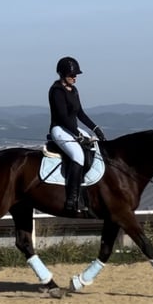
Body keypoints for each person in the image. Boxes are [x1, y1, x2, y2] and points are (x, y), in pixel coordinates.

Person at [48, 56, 107, 215]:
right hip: (59, 129)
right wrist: (77, 135)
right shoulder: (56, 91)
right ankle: (72, 199)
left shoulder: (73, 90)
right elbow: (62, 116)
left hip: (72, 128)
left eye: (76, 75)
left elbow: (80, 113)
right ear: (62, 74)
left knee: (94, 147)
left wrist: (95, 129)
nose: (75, 78)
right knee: (78, 155)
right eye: (72, 75)